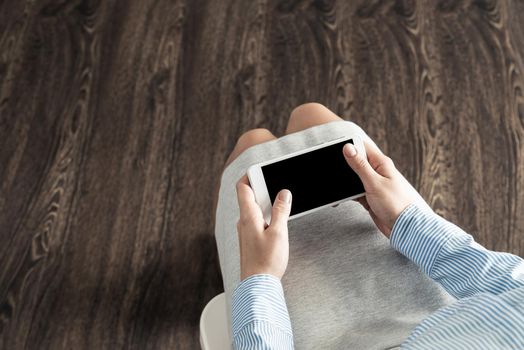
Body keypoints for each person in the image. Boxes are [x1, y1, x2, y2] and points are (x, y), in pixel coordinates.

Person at [228, 107, 524, 349]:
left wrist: (259, 278)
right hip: (442, 320)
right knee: (312, 116)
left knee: (252, 144)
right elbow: (510, 285)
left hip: (324, 338)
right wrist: (406, 222)